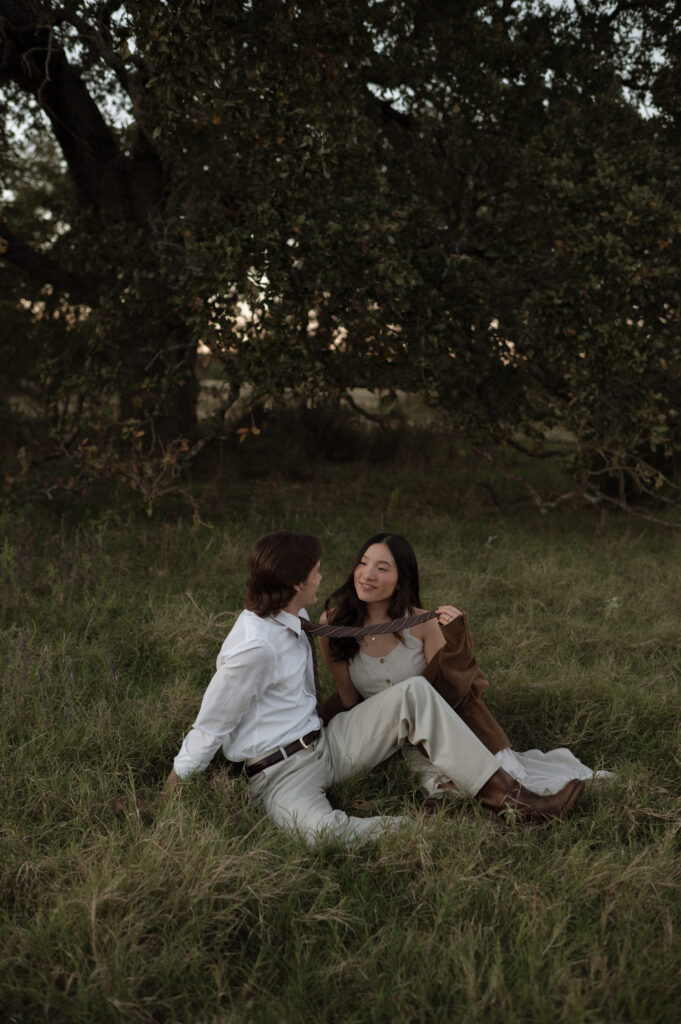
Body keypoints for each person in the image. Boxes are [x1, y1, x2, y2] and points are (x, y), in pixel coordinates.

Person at [163, 531, 585, 846]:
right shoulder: (254, 648)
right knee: (323, 837)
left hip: (327, 746)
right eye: (314, 573)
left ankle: (513, 802)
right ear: (294, 585)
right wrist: (168, 795)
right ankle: (437, 826)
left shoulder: (293, 616)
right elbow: (209, 727)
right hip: (279, 773)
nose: (322, 577)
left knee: (414, 694)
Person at [318, 532, 611, 805]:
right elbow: (348, 697)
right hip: (396, 739)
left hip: (446, 726)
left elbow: (455, 689)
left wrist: (457, 638)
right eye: (363, 563)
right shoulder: (333, 623)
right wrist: (310, 730)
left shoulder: (421, 623)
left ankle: (525, 799)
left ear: (401, 579)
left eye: (382, 568)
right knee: (451, 793)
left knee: (507, 782)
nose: (367, 574)